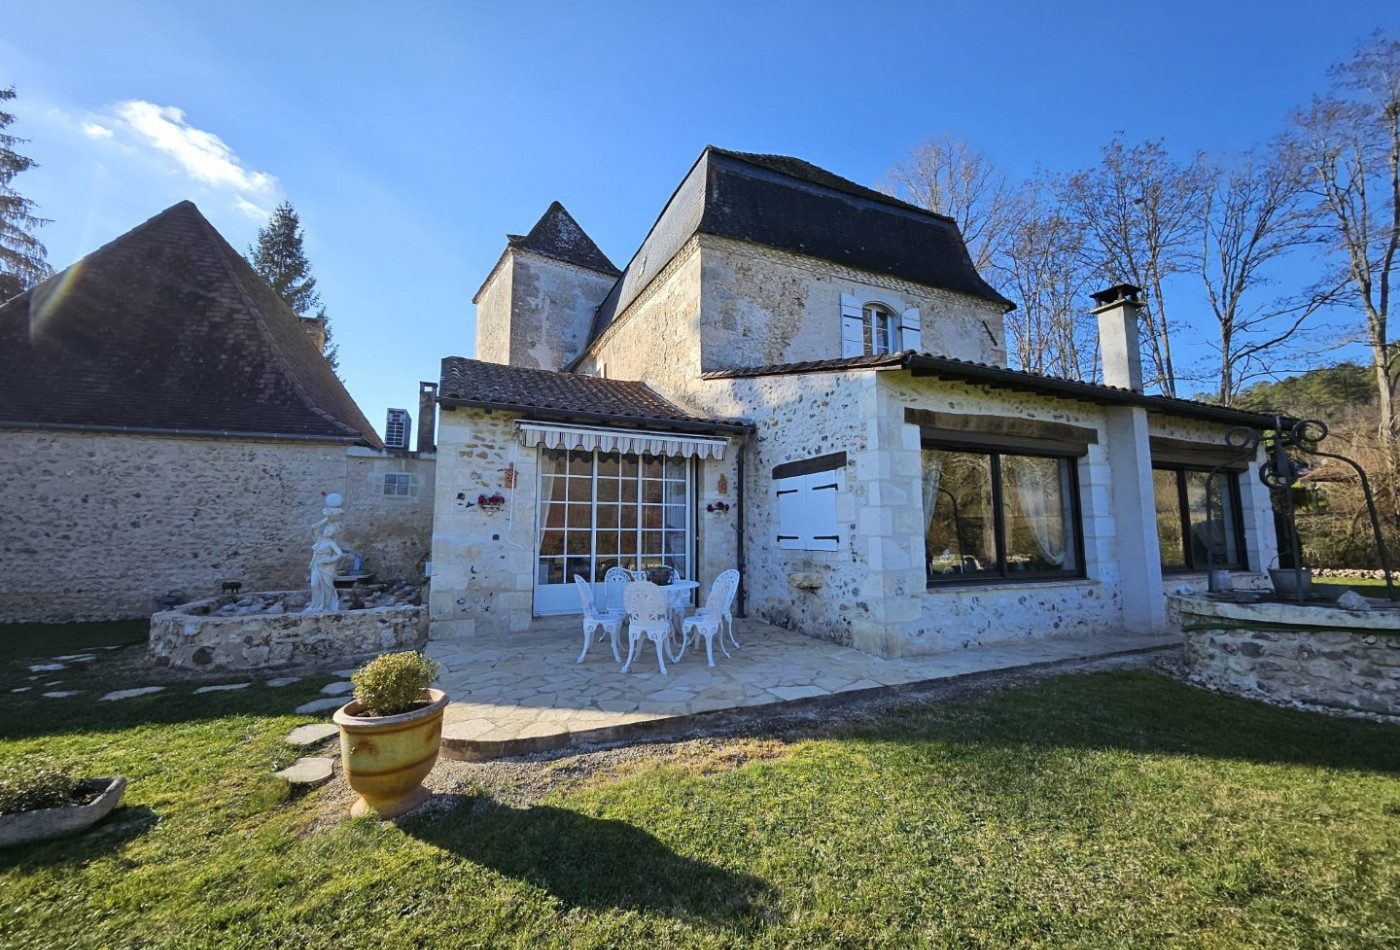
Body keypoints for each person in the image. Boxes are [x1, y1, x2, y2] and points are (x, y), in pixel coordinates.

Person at [305, 520, 344, 613]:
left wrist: (329, 560)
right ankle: (316, 604)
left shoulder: (331, 543)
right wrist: (326, 519)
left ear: (332, 534)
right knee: (314, 584)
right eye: (327, 529)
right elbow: (314, 526)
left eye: (330, 531)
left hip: (327, 567)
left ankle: (325, 605)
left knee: (327, 587)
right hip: (316, 565)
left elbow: (340, 553)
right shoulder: (319, 539)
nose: (327, 532)